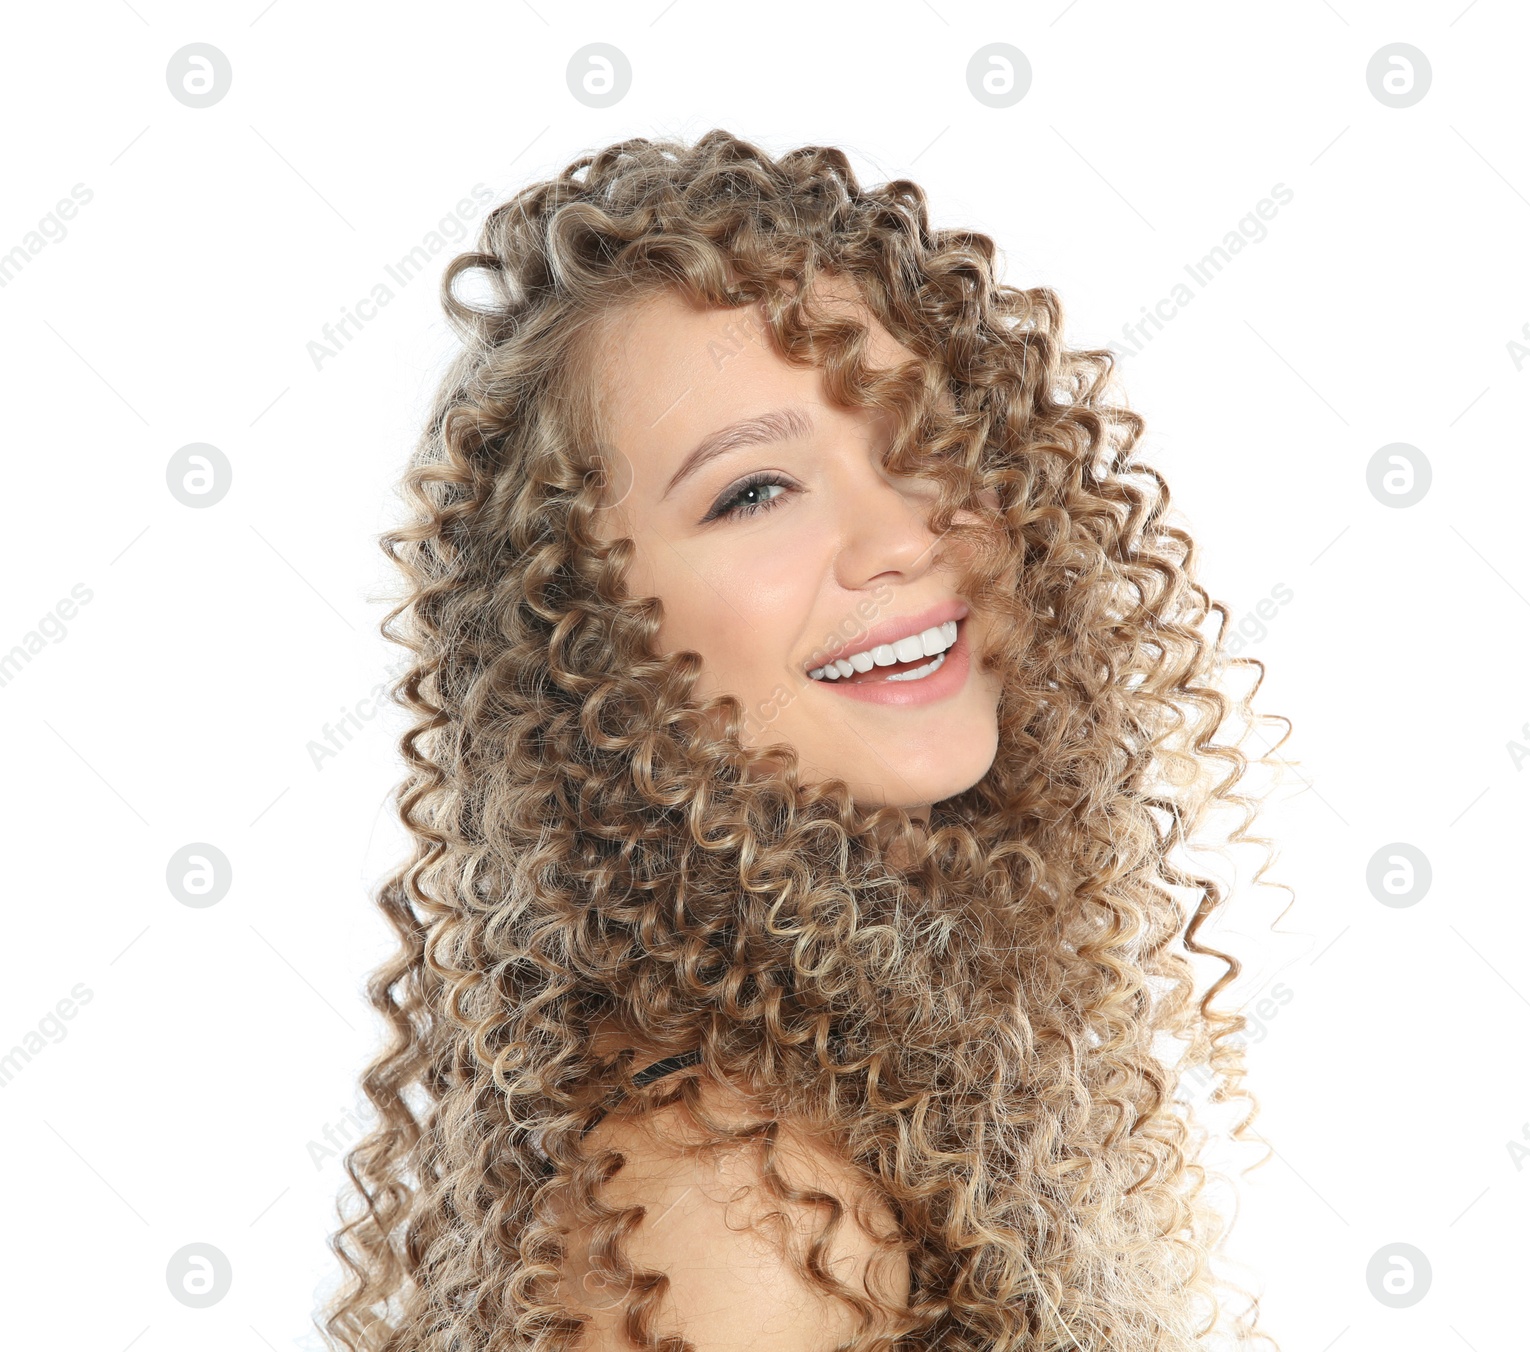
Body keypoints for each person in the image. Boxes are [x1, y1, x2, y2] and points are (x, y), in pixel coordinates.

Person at [319, 129, 1289, 1352]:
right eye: (754, 490)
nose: (903, 530)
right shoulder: (740, 1214)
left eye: (918, 434)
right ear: (583, 638)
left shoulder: (865, 1056)